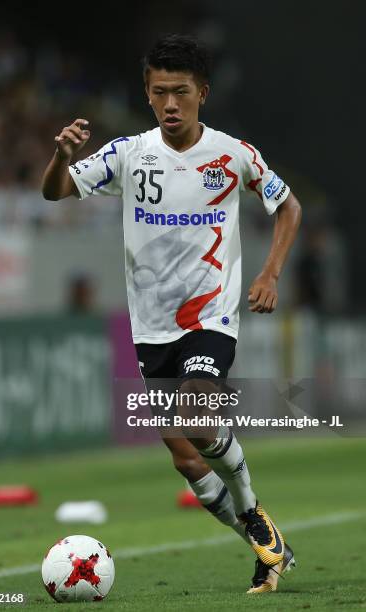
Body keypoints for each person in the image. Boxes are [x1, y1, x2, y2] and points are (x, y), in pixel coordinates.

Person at [42, 34, 302, 594]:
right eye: (159, 92)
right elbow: (56, 191)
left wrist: (269, 272)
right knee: (186, 457)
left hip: (210, 316)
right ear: (147, 92)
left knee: (196, 415)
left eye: (181, 92)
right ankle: (265, 545)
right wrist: (61, 157)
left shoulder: (233, 155)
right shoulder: (128, 155)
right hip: (151, 327)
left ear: (202, 93)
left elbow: (289, 207)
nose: (170, 104)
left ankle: (254, 512)